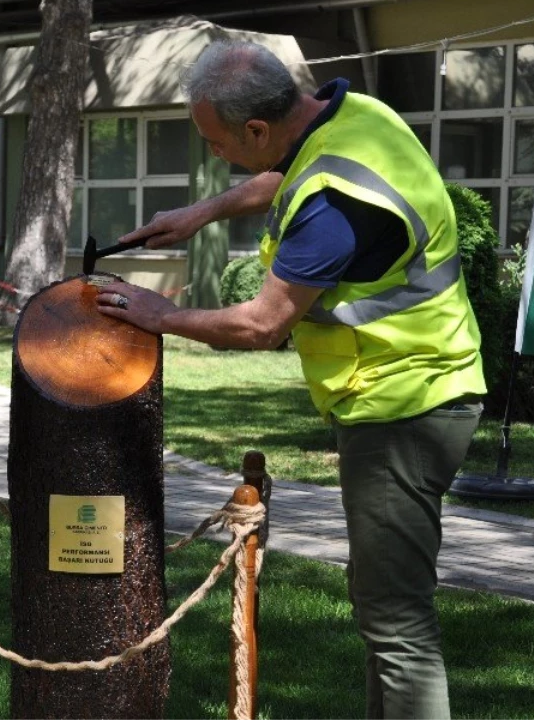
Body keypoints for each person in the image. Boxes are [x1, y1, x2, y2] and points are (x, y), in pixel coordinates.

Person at [97, 41, 485, 720]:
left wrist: (163, 315)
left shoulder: (330, 211)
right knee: (380, 603)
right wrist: (202, 213)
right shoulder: (354, 116)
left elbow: (261, 324)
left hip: (403, 406)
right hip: (423, 390)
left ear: (256, 129)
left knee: (396, 624)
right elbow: (291, 172)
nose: (217, 156)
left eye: (217, 143)